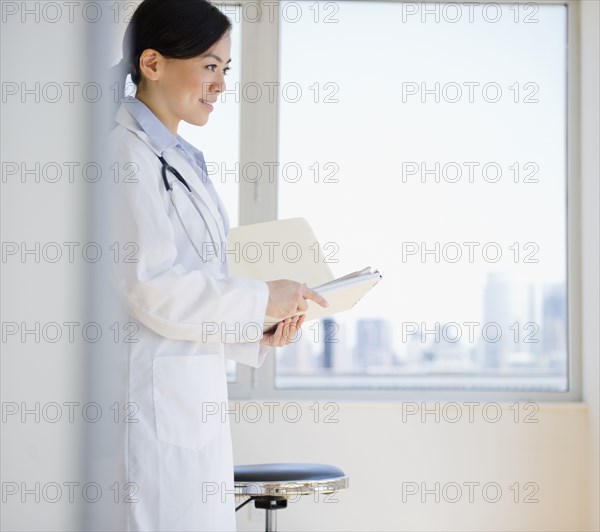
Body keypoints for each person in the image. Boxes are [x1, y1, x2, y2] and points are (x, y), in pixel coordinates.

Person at [107, 0, 328, 530]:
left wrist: (258, 326)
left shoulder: (179, 160)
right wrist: (258, 299)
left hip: (187, 405)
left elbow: (197, 289)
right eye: (209, 65)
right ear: (152, 63)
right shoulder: (123, 157)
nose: (220, 84)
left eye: (225, 69)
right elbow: (150, 289)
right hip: (151, 412)